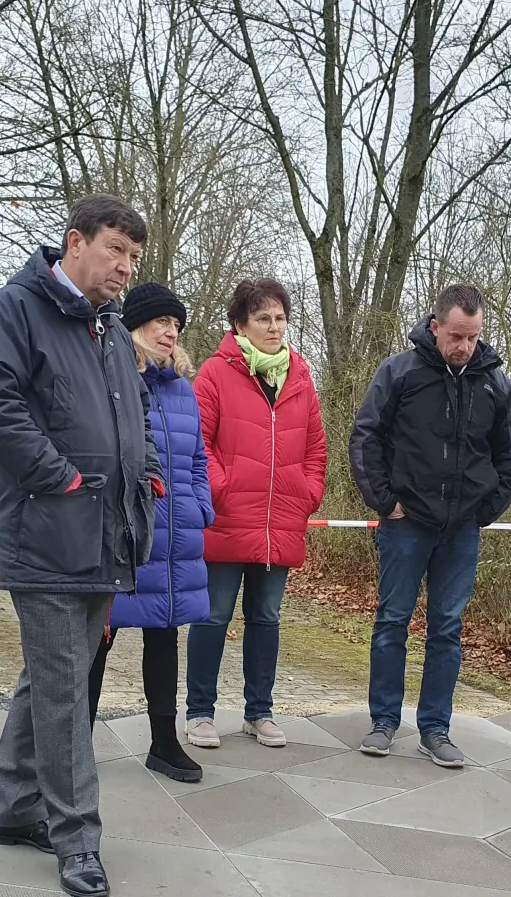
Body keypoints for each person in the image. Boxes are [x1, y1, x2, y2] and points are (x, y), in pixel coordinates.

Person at [0, 194, 162, 896]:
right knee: (66, 693)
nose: (125, 269)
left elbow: (131, 413)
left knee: (52, 680)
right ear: (74, 242)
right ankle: (77, 839)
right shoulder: (15, 309)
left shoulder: (107, 325)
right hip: (47, 534)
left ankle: (14, 811)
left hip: (105, 535)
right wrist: (60, 477)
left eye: (134, 258)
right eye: (114, 252)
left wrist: (150, 471)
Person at [349, 284, 511, 768]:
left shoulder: (494, 382)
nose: (464, 346)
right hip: (407, 524)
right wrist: (384, 500)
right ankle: (383, 722)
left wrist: (486, 509)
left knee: (447, 629)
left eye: (472, 336)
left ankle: (436, 729)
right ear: (435, 325)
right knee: (391, 622)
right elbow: (366, 436)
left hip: (462, 529)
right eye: (456, 335)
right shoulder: (400, 372)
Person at [184, 278, 327, 749]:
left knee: (266, 618)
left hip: (280, 521)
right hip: (227, 518)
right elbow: (197, 444)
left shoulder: (301, 377)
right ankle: (200, 712)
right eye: (263, 318)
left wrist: (306, 493)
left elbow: (316, 450)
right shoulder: (214, 373)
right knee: (213, 616)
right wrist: (220, 491)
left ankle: (258, 712)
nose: (274, 327)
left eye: (280, 318)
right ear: (240, 324)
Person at [87, 282, 212, 785]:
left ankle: (164, 742)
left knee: (165, 633)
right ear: (133, 326)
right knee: (99, 637)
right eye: (162, 322)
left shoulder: (183, 388)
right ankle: (75, 742)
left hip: (176, 536)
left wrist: (201, 506)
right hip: (124, 535)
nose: (170, 332)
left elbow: (199, 458)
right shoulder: (109, 376)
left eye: (176, 325)